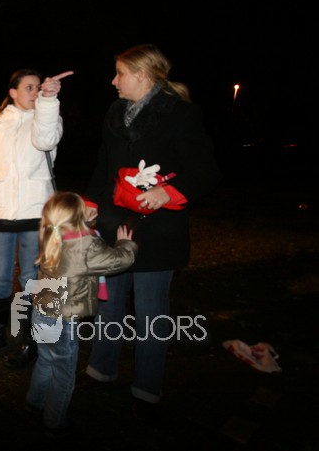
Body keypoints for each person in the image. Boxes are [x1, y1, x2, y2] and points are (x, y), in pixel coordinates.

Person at [81, 44, 220, 419]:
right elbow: (104, 164)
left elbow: (205, 169)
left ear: (141, 75)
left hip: (158, 231)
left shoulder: (180, 113)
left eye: (120, 73)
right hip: (115, 225)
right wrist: (91, 203)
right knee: (109, 304)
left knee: (150, 313)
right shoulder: (114, 113)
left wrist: (168, 192)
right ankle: (101, 369)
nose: (113, 81)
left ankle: (146, 389)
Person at [0, 68, 72, 368]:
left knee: (30, 279)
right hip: (2, 214)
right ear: (13, 92)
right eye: (29, 87)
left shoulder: (47, 118)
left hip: (35, 213)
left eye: (38, 87)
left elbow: (45, 141)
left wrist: (49, 102)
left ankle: (31, 340)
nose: (35, 92)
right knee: (0, 278)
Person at [23, 192, 137, 437]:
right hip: (64, 320)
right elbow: (118, 260)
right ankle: (55, 421)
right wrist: (125, 244)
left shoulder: (48, 232)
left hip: (42, 311)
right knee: (64, 372)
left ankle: (35, 401)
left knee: (45, 360)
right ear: (77, 217)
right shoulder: (86, 244)